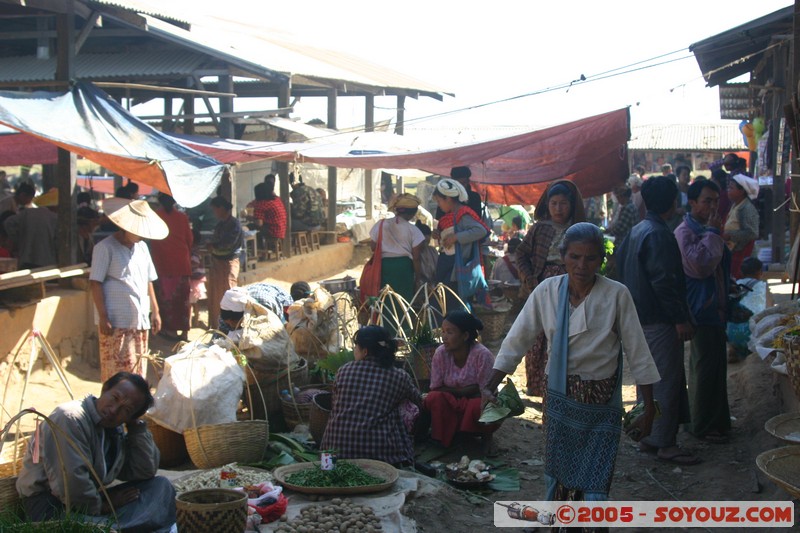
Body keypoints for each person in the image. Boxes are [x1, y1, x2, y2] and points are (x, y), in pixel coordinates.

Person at [488, 223, 660, 501]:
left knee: (596, 476)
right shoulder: (547, 291)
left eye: (591, 258)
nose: (582, 265)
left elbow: (638, 352)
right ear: (563, 256)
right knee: (559, 471)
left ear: (601, 260)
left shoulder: (616, 295)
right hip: (559, 396)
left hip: (601, 400)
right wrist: (490, 385)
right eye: (575, 257)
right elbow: (517, 340)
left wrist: (649, 408)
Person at [16, 372, 176, 531]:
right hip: (51, 507)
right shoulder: (69, 418)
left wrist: (136, 428)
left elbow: (144, 471)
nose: (114, 410)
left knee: (160, 487)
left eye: (126, 410)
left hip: (90, 501)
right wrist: (104, 506)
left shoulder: (114, 428)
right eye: (114, 398)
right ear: (105, 389)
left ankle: (121, 527)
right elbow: (71, 482)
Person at [616, 176, 699, 465]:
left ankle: (649, 436)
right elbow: (664, 282)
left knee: (647, 381)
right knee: (665, 380)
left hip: (637, 319)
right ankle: (664, 442)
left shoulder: (638, 230)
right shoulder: (659, 234)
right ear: (673, 202)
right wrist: (680, 318)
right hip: (658, 320)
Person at [674, 179, 732, 444]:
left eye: (715, 200)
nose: (712, 206)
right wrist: (711, 233)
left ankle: (713, 421)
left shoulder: (705, 228)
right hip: (701, 309)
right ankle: (703, 424)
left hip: (714, 308)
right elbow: (700, 265)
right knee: (705, 366)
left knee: (714, 366)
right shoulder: (686, 231)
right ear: (693, 202)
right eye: (706, 200)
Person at [516, 180, 586, 396]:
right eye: (553, 203)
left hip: (571, 285)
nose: (558, 209)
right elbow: (521, 253)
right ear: (547, 205)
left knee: (567, 333)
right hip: (542, 284)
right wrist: (529, 279)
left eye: (563, 204)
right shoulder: (539, 229)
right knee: (539, 335)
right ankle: (538, 386)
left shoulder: (579, 229)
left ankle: (562, 385)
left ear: (571, 205)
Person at [322, 325, 421, 466]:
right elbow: (418, 400)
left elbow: (335, 404)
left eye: (356, 346)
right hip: (381, 458)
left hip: (333, 456)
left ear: (365, 351)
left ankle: (328, 466)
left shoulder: (343, 371)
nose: (354, 350)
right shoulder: (399, 376)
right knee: (402, 409)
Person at [90, 199, 166, 382]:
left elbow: (148, 281)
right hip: (116, 322)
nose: (141, 235)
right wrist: (103, 316)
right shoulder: (105, 248)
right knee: (117, 374)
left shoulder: (142, 248)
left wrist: (155, 311)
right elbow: (95, 283)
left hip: (139, 321)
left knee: (137, 370)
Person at [423, 310, 500, 452]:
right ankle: (443, 438)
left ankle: (485, 437)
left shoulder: (482, 355)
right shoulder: (440, 353)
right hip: (451, 401)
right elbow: (435, 388)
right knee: (434, 398)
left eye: (450, 332)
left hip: (476, 401)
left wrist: (457, 391)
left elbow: (485, 391)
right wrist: (464, 390)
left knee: (479, 406)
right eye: (443, 331)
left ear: (465, 336)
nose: (444, 337)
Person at [432, 178, 491, 307]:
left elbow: (480, 230)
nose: (439, 205)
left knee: (455, 303)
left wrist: (456, 237)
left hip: (457, 266)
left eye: (439, 201)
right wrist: (438, 234)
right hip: (447, 263)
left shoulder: (463, 214)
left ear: (448, 198)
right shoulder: (450, 215)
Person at [149, 193, 193, 341]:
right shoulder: (182, 217)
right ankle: (185, 331)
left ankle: (170, 331)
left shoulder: (155, 216)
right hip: (181, 264)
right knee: (183, 300)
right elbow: (189, 240)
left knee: (167, 300)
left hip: (163, 264)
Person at [370, 193, 425, 303]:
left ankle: (384, 320)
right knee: (402, 300)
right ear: (413, 213)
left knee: (384, 298)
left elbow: (373, 247)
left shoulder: (380, 224)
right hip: (404, 269)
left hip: (383, 266)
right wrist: (418, 277)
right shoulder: (414, 231)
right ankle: (402, 320)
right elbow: (416, 257)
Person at [206, 195, 244, 331]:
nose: (214, 213)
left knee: (229, 294)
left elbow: (228, 244)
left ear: (221, 208)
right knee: (215, 296)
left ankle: (231, 326)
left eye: (215, 209)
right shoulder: (220, 224)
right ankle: (216, 326)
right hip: (217, 262)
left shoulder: (234, 224)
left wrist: (213, 246)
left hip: (228, 262)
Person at [727, 257, 774, 363]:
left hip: (730, 333)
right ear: (760, 272)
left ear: (742, 272)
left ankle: (733, 348)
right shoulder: (762, 286)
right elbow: (769, 309)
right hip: (752, 335)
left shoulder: (734, 285)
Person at [5, 187, 58, 269]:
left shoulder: (27, 213)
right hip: (47, 262)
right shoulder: (55, 218)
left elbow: (8, 222)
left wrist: (19, 240)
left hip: (26, 259)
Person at [723, 174, 759, 279]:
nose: (728, 190)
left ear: (741, 191)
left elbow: (752, 233)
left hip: (745, 255)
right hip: (736, 253)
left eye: (731, 188)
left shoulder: (746, 208)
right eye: (728, 187)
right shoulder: (736, 206)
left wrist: (729, 235)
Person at [248, 174, 287, 247]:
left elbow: (259, 223)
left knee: (251, 229)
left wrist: (249, 218)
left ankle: (258, 250)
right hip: (281, 230)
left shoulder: (263, 204)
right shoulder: (277, 200)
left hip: (273, 231)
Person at [188, 228, 207, 329]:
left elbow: (194, 263)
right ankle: (195, 320)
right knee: (195, 303)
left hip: (193, 280)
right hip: (198, 279)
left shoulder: (192, 251)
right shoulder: (197, 250)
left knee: (190, 303)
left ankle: (190, 322)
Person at [415, 221, 439, 287]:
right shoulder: (413, 252)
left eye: (428, 237)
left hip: (433, 285)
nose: (426, 239)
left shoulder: (433, 251)